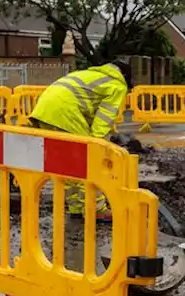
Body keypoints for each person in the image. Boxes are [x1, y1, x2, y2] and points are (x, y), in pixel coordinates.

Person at [28, 60, 134, 218]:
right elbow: (103, 120)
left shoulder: (91, 75)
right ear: (125, 77)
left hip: (43, 112)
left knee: (68, 164)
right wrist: (100, 143)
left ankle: (76, 207)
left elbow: (88, 108)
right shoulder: (117, 85)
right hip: (65, 113)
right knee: (90, 161)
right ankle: (96, 209)